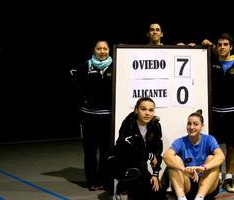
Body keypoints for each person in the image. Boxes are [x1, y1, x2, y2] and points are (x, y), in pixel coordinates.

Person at [201, 33, 234, 193]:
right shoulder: (211, 63)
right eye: (219, 44)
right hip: (215, 112)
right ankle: (217, 176)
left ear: (231, 47)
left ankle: (228, 178)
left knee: (232, 147)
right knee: (215, 147)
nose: (222, 47)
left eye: (225, 44)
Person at [70, 40, 113, 191]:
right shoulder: (85, 67)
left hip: (108, 117)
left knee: (106, 152)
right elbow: (76, 87)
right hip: (89, 117)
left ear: (109, 50)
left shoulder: (116, 65)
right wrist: (84, 100)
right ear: (94, 50)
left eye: (105, 48)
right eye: (99, 48)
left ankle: (105, 180)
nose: (102, 51)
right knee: (90, 152)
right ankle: (92, 181)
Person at [109, 97, 164, 200]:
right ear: (136, 110)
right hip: (120, 162)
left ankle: (131, 189)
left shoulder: (155, 126)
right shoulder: (128, 123)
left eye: (151, 110)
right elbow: (128, 150)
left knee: (158, 194)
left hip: (140, 167)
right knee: (138, 170)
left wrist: (155, 174)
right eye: (143, 109)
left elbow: (157, 151)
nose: (147, 113)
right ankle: (122, 188)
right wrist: (149, 155)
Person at [163, 109, 225, 200]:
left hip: (206, 185)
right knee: (175, 160)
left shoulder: (209, 139)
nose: (191, 127)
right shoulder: (180, 141)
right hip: (187, 185)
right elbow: (166, 156)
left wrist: (203, 167)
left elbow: (221, 156)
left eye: (195, 124)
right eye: (189, 124)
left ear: (202, 126)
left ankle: (199, 197)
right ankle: (181, 197)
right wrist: (183, 169)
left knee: (211, 158)